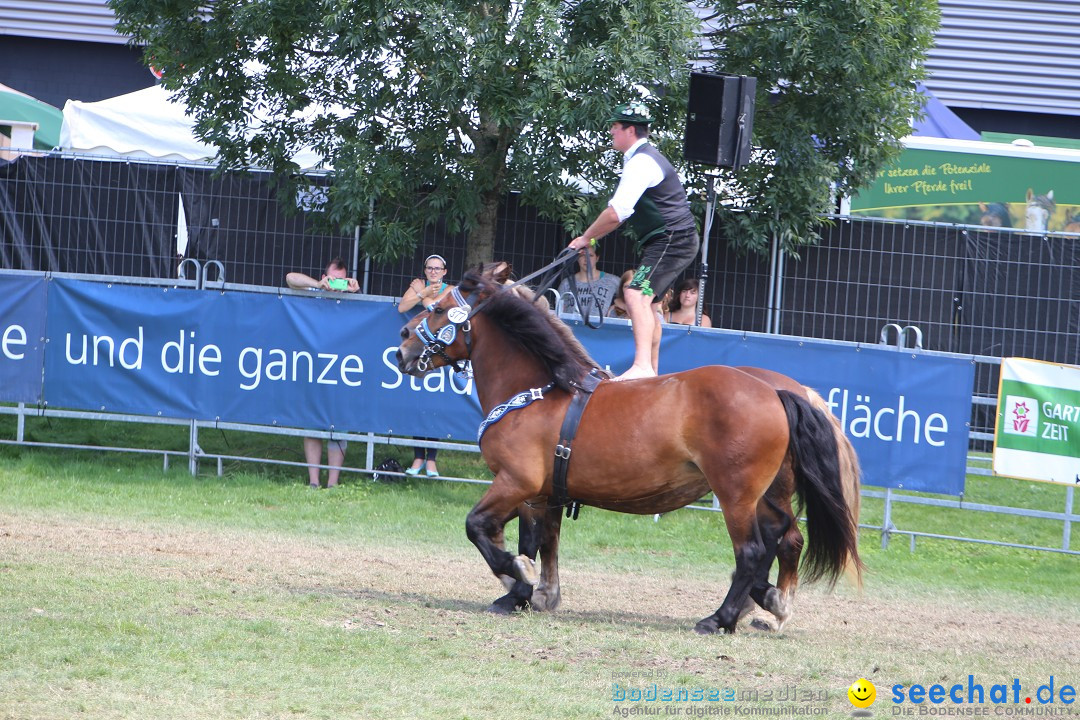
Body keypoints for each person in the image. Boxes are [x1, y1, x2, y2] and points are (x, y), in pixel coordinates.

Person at [568, 101, 700, 380]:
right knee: (649, 303)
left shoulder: (641, 162)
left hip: (671, 240)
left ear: (629, 130)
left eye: (615, 128)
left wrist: (586, 238)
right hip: (671, 240)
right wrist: (590, 240)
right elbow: (620, 215)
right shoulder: (640, 159)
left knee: (635, 293)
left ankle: (641, 367)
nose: (612, 133)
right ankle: (650, 369)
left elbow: (617, 213)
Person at [285, 257, 359, 487]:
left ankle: (333, 483)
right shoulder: (313, 289)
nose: (335, 284)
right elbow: (290, 278)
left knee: (340, 426)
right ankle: (314, 481)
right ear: (324, 275)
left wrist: (354, 292)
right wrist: (319, 285)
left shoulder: (354, 299)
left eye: (341, 280)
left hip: (342, 370)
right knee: (312, 424)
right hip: (313, 369)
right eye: (332, 279)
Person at [398, 254, 455, 477]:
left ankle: (431, 460)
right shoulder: (420, 287)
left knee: (434, 405)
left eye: (437, 269)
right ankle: (418, 457)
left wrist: (424, 297)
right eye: (429, 268)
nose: (433, 272)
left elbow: (436, 309)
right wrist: (422, 293)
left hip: (438, 353)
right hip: (417, 351)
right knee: (417, 403)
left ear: (444, 272)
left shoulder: (451, 290)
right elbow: (403, 307)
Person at [555, 241, 620, 319]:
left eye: (590, 255)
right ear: (577, 258)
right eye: (582, 255)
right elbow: (558, 311)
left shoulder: (611, 281)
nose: (586, 260)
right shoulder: (567, 283)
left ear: (597, 258)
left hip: (598, 328)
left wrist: (615, 308)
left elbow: (630, 297)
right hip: (572, 328)